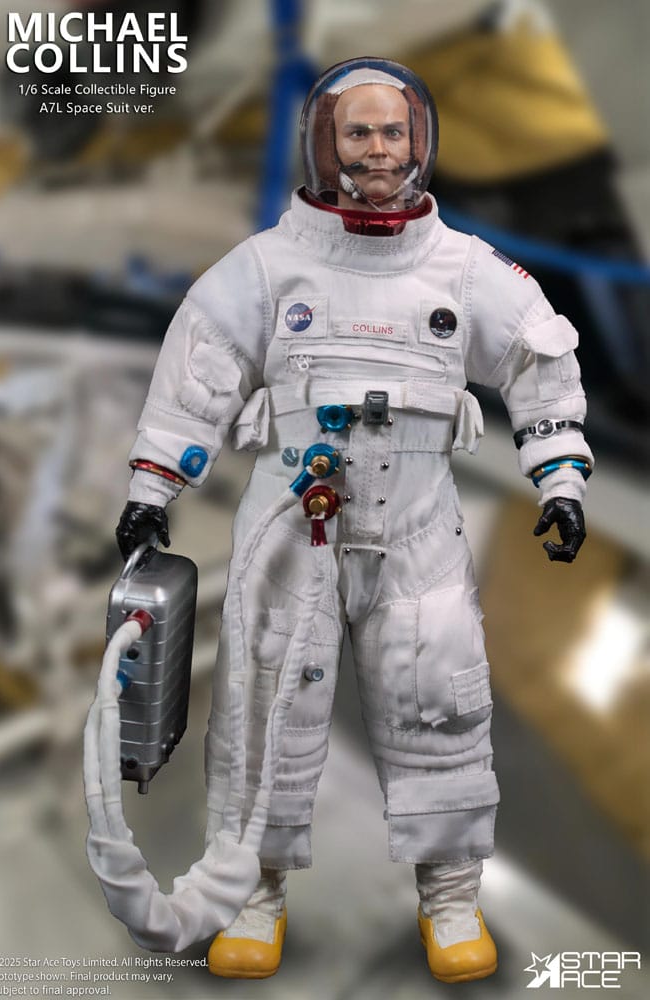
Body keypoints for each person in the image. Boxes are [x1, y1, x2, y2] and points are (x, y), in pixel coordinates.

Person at [116, 57, 592, 983]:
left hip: (417, 527)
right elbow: (196, 377)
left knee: (439, 702)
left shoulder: (463, 269)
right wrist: (151, 490)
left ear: (420, 141)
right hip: (291, 518)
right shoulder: (267, 267)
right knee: (262, 707)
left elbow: (541, 368)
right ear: (325, 145)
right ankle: (251, 895)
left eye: (393, 131)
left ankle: (450, 900)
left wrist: (560, 481)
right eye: (358, 132)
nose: (378, 149)